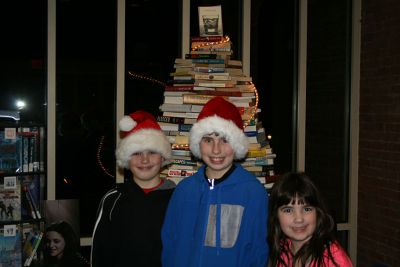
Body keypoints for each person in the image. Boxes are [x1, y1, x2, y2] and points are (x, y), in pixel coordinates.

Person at [162, 96, 269, 267]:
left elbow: (258, 251)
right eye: (208, 140)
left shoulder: (253, 192)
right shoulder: (184, 190)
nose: (216, 150)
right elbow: (170, 243)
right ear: (198, 144)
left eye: (224, 140)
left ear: (236, 144)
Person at [91, 110, 175, 267]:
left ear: (163, 157)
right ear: (126, 159)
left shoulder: (178, 199)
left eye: (152, 152)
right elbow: (99, 252)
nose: (145, 159)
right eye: (136, 153)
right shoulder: (112, 199)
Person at [268, 172, 353, 267]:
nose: (299, 219)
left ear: (318, 212)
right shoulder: (281, 250)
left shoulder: (334, 260)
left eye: (307, 209)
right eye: (288, 210)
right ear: (276, 216)